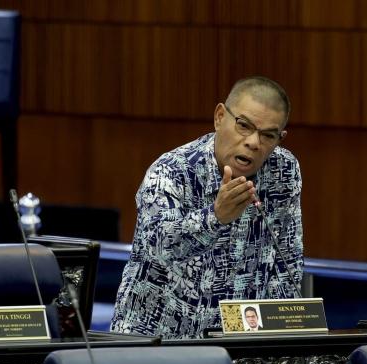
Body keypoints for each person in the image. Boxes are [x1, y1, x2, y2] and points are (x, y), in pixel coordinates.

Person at [111, 76, 303, 339]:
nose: (254, 142)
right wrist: (214, 217)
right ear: (220, 117)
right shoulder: (171, 172)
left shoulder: (283, 171)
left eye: (268, 135)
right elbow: (160, 248)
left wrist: (289, 338)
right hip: (156, 339)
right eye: (244, 126)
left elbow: (286, 261)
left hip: (235, 339)